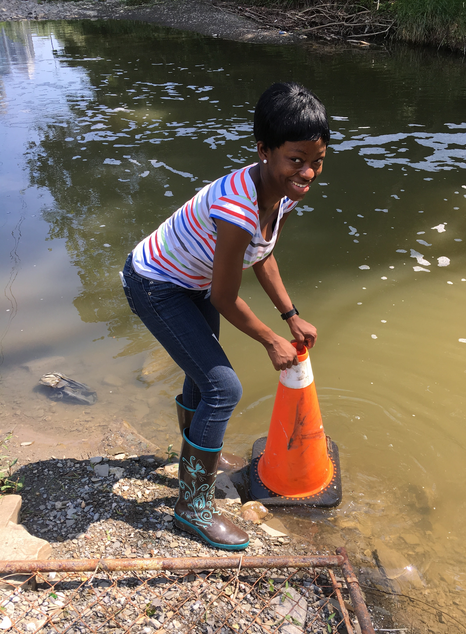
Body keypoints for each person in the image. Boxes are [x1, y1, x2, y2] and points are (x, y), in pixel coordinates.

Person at [121, 82, 330, 551]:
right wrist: (270, 340)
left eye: (317, 160)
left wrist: (290, 314)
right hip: (156, 283)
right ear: (263, 150)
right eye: (296, 159)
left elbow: (264, 254)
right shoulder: (236, 207)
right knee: (224, 387)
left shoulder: (284, 191)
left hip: (190, 281)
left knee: (202, 382)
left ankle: (195, 461)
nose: (309, 172)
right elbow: (224, 297)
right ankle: (193, 506)